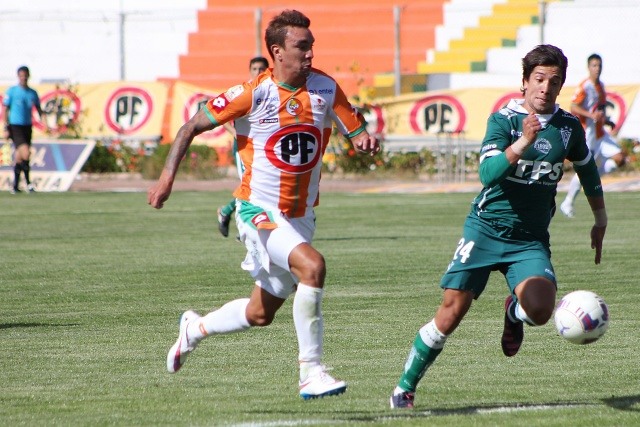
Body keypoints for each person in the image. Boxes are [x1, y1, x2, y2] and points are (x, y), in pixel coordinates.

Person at [147, 9, 379, 400]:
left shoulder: (325, 87)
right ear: (277, 51)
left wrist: (362, 139)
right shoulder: (252, 93)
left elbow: (356, 129)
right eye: (301, 46)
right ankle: (311, 372)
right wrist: (167, 178)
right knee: (313, 266)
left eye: (311, 46)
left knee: (260, 314)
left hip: (300, 215)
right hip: (259, 210)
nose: (309, 54)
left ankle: (193, 329)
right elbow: (189, 127)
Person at [389, 45, 607, 409]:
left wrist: (601, 219)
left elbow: (586, 167)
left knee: (539, 310)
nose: (545, 88)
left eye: (554, 82)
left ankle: (513, 312)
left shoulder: (568, 128)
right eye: (538, 79)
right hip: (485, 230)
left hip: (529, 240)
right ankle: (404, 388)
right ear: (524, 82)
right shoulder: (503, 121)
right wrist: (523, 140)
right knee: (450, 313)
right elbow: (487, 175)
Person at [560, 53, 625, 218]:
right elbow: (574, 106)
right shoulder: (584, 86)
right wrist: (591, 116)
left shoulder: (600, 86)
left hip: (600, 133)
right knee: (584, 170)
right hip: (588, 134)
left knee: (619, 158)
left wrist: (607, 120)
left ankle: (594, 178)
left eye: (599, 66)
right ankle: (568, 202)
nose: (597, 69)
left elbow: (600, 108)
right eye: (594, 65)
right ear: (588, 67)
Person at [217, 56, 269, 238]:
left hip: (263, 147)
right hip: (244, 146)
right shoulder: (242, 92)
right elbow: (220, 116)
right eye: (255, 69)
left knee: (260, 186)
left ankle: (227, 211)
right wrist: (233, 132)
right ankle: (243, 228)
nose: (258, 72)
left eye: (261, 69)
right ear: (250, 71)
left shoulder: (271, 91)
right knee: (250, 186)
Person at [2, 66, 47, 194]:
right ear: (18, 76)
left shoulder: (32, 93)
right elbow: (5, 109)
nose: (23, 78)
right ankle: (28, 183)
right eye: (21, 75)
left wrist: (45, 123)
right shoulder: (12, 91)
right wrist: (5, 127)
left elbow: (38, 109)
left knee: (19, 156)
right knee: (26, 153)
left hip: (27, 126)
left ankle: (16, 186)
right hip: (15, 126)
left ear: (28, 76)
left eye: (25, 75)